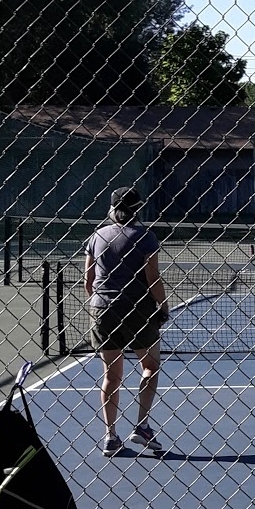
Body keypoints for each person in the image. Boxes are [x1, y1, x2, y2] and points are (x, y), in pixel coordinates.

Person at [84, 187, 169, 457]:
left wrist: (103, 303)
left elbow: (88, 281)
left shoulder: (96, 237)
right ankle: (142, 426)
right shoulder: (145, 237)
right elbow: (152, 278)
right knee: (150, 366)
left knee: (111, 375)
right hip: (137, 310)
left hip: (102, 310)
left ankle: (110, 437)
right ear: (138, 208)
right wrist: (163, 306)